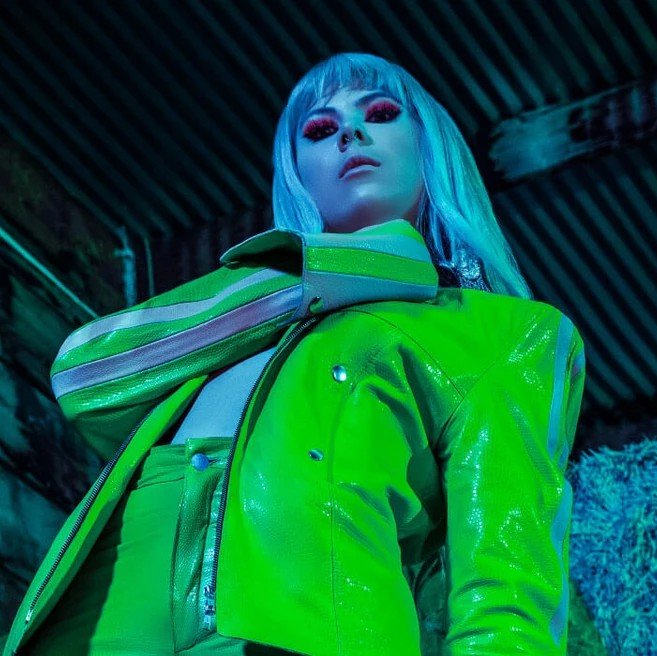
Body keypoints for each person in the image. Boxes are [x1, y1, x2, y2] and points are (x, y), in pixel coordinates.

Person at [3, 52, 586, 656]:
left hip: (305, 630)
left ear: (430, 147)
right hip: (95, 623)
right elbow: (84, 378)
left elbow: (507, 588)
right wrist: (347, 265)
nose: (349, 133)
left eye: (380, 113)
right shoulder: (253, 316)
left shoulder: (507, 332)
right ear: (297, 173)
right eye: (320, 129)